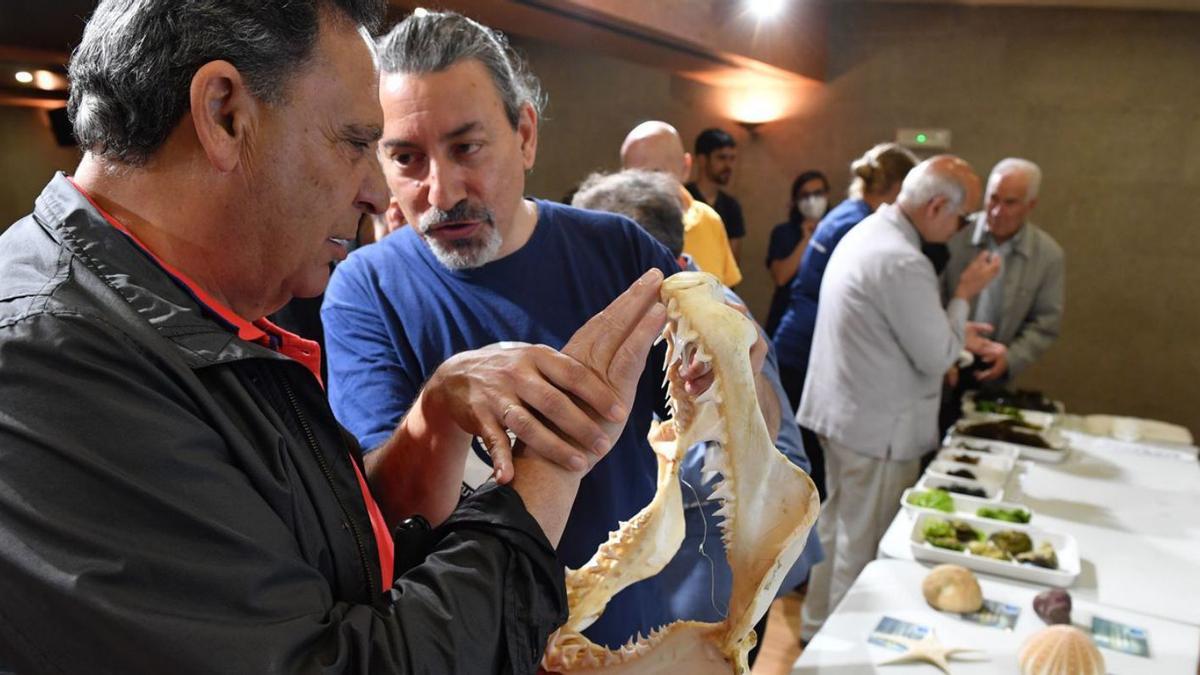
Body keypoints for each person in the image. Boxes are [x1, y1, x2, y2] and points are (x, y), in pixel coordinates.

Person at [0, 2, 667, 672]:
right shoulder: (48, 358)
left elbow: (342, 560)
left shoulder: (191, 317)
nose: (383, 195)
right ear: (225, 114)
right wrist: (560, 448)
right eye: (358, 144)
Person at [320, 11, 691, 649]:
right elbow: (386, 515)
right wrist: (439, 406)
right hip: (481, 640)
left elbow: (712, 421)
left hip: (636, 623)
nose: (441, 191)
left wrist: (734, 362)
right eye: (406, 158)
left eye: (466, 148)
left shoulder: (621, 251)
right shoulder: (365, 290)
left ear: (523, 134)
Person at [570, 168, 823, 667]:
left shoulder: (712, 315)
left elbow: (759, 431)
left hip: (727, 550)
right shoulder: (655, 304)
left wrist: (735, 377)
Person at [797, 156, 1002, 640]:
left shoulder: (870, 232)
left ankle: (813, 633)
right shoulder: (903, 259)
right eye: (962, 216)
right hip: (878, 427)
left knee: (833, 532)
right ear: (935, 206)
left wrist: (953, 330)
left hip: (845, 413)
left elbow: (902, 331)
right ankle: (839, 652)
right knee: (861, 548)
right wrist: (965, 295)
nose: (961, 228)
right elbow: (935, 356)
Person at [771, 143, 918, 502]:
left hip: (796, 336)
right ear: (899, 188)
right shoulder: (861, 224)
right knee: (803, 467)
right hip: (808, 345)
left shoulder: (843, 213)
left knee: (801, 461)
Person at [942, 157, 1064, 385]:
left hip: (996, 368)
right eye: (993, 199)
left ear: (1030, 206)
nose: (997, 211)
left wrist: (1011, 358)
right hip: (943, 361)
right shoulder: (952, 235)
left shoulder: (1047, 256)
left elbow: (1045, 323)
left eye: (1010, 203)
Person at [621, 120, 742, 287]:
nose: (643, 187)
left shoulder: (709, 220)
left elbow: (726, 291)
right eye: (633, 177)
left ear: (686, 167)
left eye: (656, 174)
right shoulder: (617, 230)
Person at [764, 170, 831, 337]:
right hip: (787, 317)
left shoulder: (836, 232)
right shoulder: (783, 232)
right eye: (805, 195)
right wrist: (807, 239)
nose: (812, 200)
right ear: (795, 201)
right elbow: (781, 277)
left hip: (823, 318)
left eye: (818, 193)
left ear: (827, 195)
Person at [685, 127, 746, 260]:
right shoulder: (682, 198)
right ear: (702, 159)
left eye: (732, 159)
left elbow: (731, 259)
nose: (728, 165)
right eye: (721, 158)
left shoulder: (731, 206)